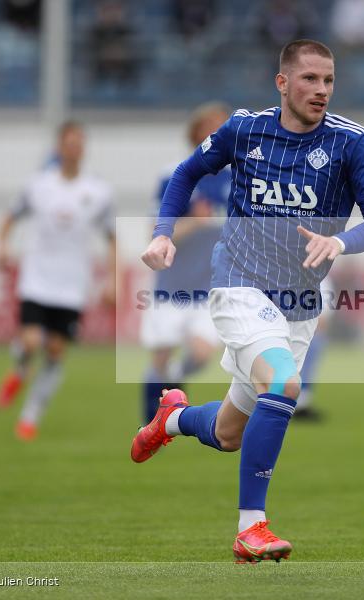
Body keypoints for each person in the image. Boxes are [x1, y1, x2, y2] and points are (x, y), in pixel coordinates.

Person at [133, 39, 364, 562]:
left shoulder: (350, 142)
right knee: (285, 383)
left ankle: (173, 417)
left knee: (229, 433)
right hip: (238, 284)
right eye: (310, 79)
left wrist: (340, 241)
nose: (321, 90)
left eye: (329, 81)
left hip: (299, 302)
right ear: (282, 83)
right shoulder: (246, 129)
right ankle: (252, 526)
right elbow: (186, 174)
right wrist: (164, 233)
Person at [0, 121, 117, 441]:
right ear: (59, 147)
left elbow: (113, 238)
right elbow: (10, 216)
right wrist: (3, 245)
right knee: (32, 341)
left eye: (80, 143)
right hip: (36, 279)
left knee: (54, 351)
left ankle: (30, 415)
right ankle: (20, 368)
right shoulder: (38, 185)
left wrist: (112, 280)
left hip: (72, 286)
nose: (75, 148)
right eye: (70, 143)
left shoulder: (98, 191)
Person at [140, 102, 230, 424]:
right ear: (195, 132)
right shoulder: (174, 175)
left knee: (203, 353)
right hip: (172, 284)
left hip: (210, 288)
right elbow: (155, 231)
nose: (218, 132)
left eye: (223, 126)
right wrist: (195, 221)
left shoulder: (238, 179)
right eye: (210, 125)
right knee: (160, 357)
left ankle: (172, 386)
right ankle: (151, 421)